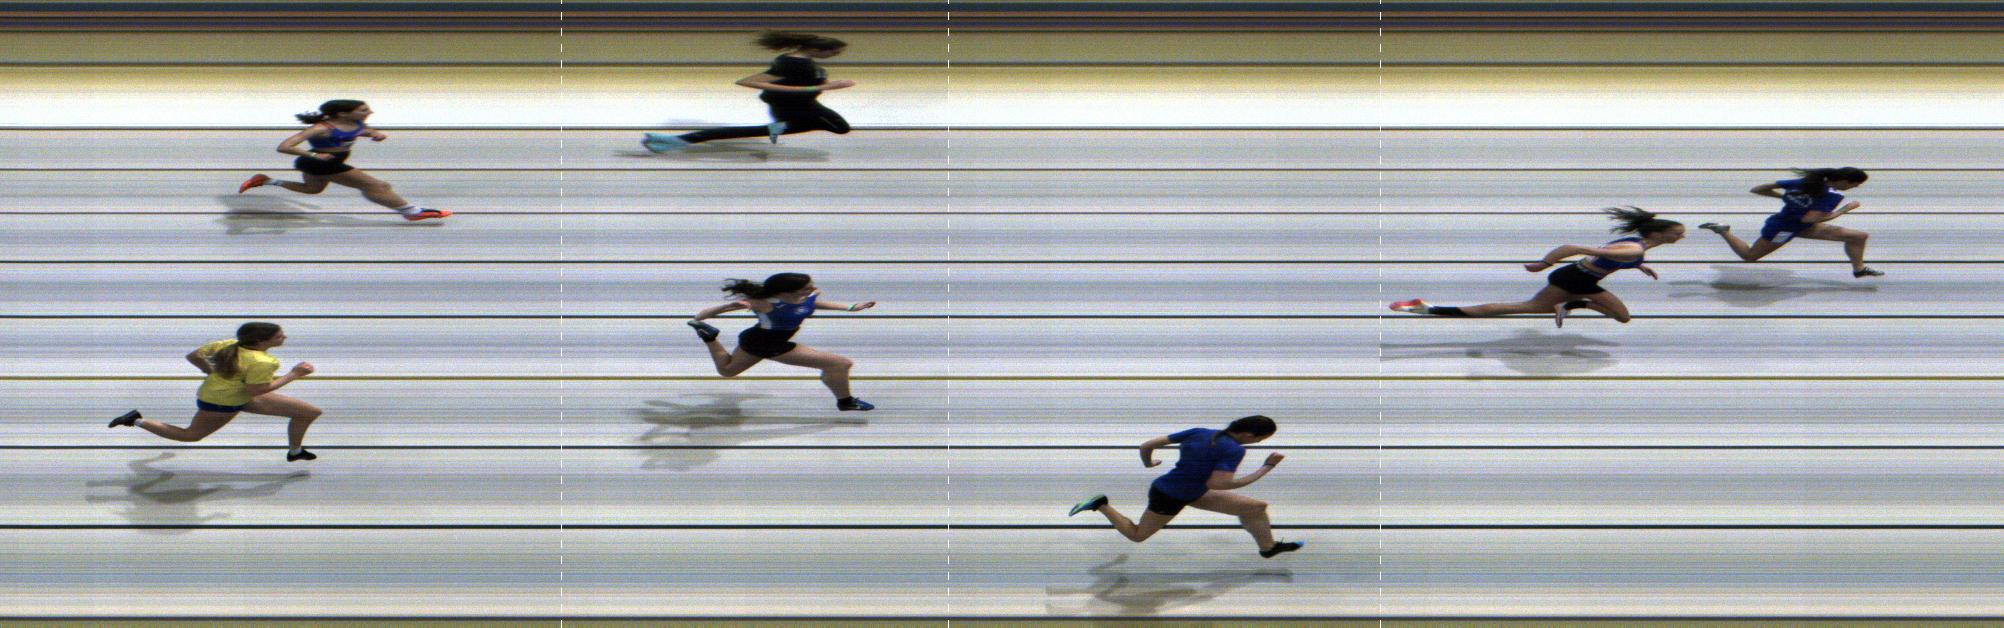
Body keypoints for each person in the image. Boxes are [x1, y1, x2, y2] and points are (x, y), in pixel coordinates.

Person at [1391, 206, 1685, 327]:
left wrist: (1637, 266)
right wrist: (1543, 264)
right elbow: (1573, 247)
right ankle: (1572, 304)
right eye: (1676, 233)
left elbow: (1609, 258)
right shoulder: (1634, 248)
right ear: (1658, 233)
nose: (1680, 237)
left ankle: (1428, 309)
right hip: (1576, 281)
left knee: (1523, 307)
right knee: (1622, 317)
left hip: (1575, 277)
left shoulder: (1637, 247)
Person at [1067, 415, 1304, 558]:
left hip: (1191, 491)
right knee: (1137, 535)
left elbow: (1147, 445)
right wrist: (1266, 467)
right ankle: (1101, 504)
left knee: (1256, 507)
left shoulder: (1199, 432)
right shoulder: (1233, 449)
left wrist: (1149, 463)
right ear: (1249, 435)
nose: (1259, 442)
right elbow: (1218, 484)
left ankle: (1268, 548)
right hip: (1170, 496)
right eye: (1260, 439)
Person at [107, 322, 323, 461]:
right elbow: (257, 389)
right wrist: (294, 374)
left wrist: (209, 371)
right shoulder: (263, 361)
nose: (284, 338)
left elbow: (193, 356)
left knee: (309, 412)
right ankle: (136, 420)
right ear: (260, 342)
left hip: (232, 394)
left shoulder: (229, 344)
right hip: (222, 403)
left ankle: (295, 452)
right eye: (278, 337)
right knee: (190, 436)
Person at [685, 273, 878, 411]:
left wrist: (852, 307)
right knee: (839, 364)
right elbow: (703, 314)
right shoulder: (764, 303)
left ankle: (709, 337)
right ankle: (845, 401)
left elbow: (812, 304)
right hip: (764, 343)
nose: (813, 289)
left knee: (727, 371)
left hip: (770, 340)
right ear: (787, 291)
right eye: (807, 287)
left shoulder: (804, 297)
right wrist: (722, 308)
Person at [237, 100, 451, 221]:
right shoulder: (321, 128)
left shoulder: (357, 124)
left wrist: (375, 134)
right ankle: (411, 211)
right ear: (343, 114)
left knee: (312, 190)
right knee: (378, 186)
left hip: (325, 162)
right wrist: (315, 155)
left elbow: (362, 131)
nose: (370, 112)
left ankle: (266, 180)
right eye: (363, 110)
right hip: (321, 163)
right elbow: (284, 146)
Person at [644, 32, 856, 151]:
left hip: (802, 105)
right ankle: (677, 140)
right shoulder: (792, 62)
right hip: (796, 107)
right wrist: (818, 87)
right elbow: (748, 82)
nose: (834, 56)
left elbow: (808, 79)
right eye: (833, 53)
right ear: (817, 49)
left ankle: (676, 141)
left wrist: (829, 83)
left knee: (835, 127)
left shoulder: (803, 61)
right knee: (839, 127)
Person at [1696, 167, 1878, 277]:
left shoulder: (1804, 182)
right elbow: (1810, 218)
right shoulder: (1832, 196)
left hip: (1801, 225)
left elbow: (1758, 189)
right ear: (1845, 181)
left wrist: (1786, 198)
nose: (1856, 187)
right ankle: (1723, 230)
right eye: (1855, 184)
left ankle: (1859, 270)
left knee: (1858, 236)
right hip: (1784, 229)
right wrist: (1845, 209)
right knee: (1750, 256)